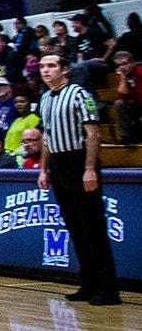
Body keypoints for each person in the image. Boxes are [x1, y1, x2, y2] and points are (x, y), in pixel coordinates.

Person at [36, 51, 120, 306]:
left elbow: (93, 134)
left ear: (65, 70)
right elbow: (47, 138)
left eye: (51, 65)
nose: (45, 70)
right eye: (42, 66)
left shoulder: (80, 94)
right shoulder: (44, 99)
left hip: (79, 161)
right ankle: (88, 283)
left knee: (93, 227)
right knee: (74, 226)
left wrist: (89, 168)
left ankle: (108, 289)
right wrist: (43, 170)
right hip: (59, 166)